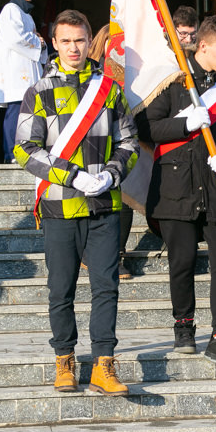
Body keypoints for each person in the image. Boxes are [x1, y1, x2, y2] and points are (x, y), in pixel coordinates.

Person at [14, 9, 139, 396]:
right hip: (59, 205)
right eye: (65, 41)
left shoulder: (110, 88)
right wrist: (71, 175)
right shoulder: (39, 91)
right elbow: (24, 149)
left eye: (80, 40)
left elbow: (130, 143)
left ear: (90, 42)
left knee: (106, 286)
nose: (73, 47)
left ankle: (104, 365)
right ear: (54, 43)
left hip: (103, 205)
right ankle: (64, 361)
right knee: (60, 288)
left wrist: (111, 174)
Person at [136, 15, 216, 369]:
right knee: (182, 262)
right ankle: (184, 327)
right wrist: (184, 124)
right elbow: (144, 125)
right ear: (203, 46)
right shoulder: (172, 82)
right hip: (176, 187)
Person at [87, 24, 133, 280]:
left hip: (122, 138)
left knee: (124, 195)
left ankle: (118, 254)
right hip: (92, 143)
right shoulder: (91, 73)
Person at [0, 0, 48, 163]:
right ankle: (11, 154)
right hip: (16, 72)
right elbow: (16, 38)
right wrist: (37, 41)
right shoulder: (10, 10)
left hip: (26, 70)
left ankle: (27, 150)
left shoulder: (26, 14)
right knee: (15, 112)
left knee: (28, 113)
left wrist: (39, 42)